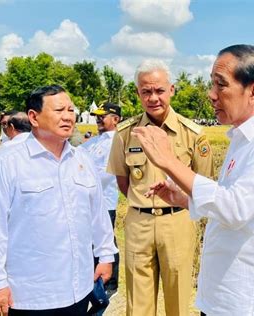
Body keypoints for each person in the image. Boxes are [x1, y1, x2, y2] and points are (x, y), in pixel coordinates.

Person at [132, 44, 254, 315]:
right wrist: (185, 199)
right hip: (220, 294)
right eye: (212, 84)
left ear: (253, 91)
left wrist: (170, 162)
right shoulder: (240, 138)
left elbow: (236, 209)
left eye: (221, 85)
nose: (211, 95)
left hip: (246, 300)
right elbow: (226, 201)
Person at [0, 84, 118, 315]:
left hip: (79, 288)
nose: (68, 117)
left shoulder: (82, 159)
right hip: (30, 295)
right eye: (59, 110)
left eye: (71, 110)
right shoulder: (9, 162)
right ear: (34, 117)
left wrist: (106, 255)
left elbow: (97, 214)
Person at [107, 59, 214, 316]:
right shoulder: (125, 133)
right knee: (138, 300)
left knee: (178, 297)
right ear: (138, 93)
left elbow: (203, 184)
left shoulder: (194, 134)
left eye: (159, 90)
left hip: (177, 221)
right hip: (138, 221)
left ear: (172, 90)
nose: (153, 97)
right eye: (146, 91)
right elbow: (124, 181)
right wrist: (144, 203)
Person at [80, 102, 122, 308]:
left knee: (105, 241)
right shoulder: (92, 142)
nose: (98, 119)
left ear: (116, 119)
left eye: (102, 116)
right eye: (96, 116)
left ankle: (110, 283)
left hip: (104, 201)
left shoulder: (117, 142)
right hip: (84, 202)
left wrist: (81, 178)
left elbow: (105, 174)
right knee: (90, 242)